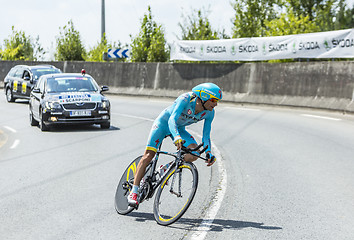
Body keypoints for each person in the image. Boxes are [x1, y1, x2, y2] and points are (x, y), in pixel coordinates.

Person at [127, 82, 222, 207]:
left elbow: (206, 135)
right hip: (163, 124)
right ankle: (134, 191)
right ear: (204, 96)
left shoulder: (210, 113)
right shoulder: (186, 99)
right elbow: (172, 119)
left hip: (180, 128)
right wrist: (176, 137)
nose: (216, 104)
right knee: (149, 155)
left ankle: (165, 169)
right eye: (214, 100)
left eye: (217, 101)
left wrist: (209, 153)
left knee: (194, 153)